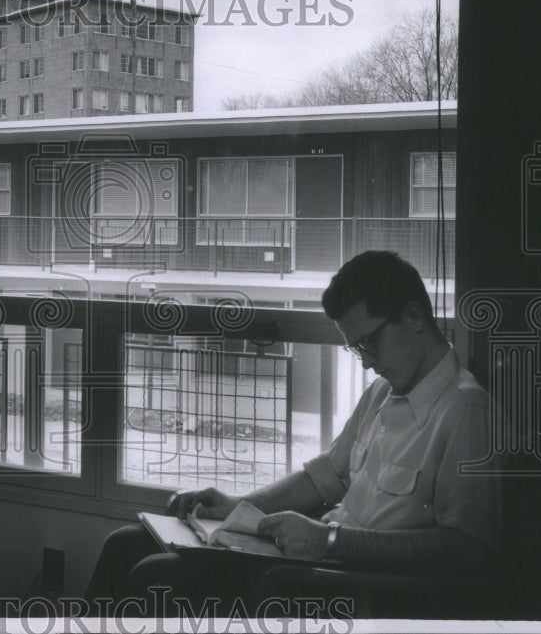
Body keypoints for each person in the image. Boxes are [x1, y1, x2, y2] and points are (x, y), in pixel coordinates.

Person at [85, 250, 501, 614]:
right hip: (315, 561)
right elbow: (325, 478)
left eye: (370, 342)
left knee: (155, 579)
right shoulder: (382, 391)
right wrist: (239, 507)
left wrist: (330, 542)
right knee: (124, 543)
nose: (367, 362)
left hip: (352, 588)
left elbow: (467, 551)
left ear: (412, 316)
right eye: (357, 348)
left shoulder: (465, 410)